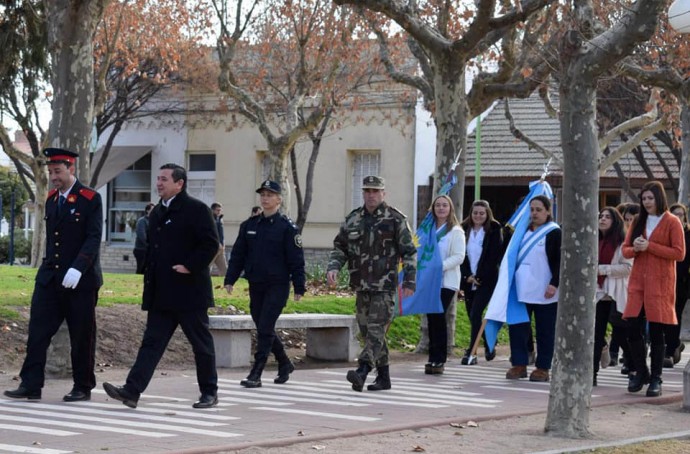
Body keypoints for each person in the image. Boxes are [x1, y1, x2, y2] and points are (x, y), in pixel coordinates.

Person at [103, 163, 220, 409]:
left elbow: (210, 244)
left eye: (164, 179)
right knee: (151, 344)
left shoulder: (196, 210)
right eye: (158, 179)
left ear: (180, 183)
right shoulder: (157, 213)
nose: (159, 183)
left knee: (201, 345)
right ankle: (131, 391)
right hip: (162, 293)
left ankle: (209, 392)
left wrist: (190, 265)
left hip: (189, 292)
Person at [4, 148, 103, 402]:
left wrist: (78, 267)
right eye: (50, 173)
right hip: (50, 277)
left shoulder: (90, 198)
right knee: (38, 332)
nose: (54, 177)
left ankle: (82, 386)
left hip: (79, 280)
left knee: (81, 335)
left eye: (58, 172)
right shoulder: (51, 199)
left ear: (72, 170)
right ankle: (31, 384)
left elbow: (93, 238)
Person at [327, 175, 417, 392]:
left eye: (375, 191)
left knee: (376, 329)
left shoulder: (395, 219)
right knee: (369, 332)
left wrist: (410, 280)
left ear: (383, 193)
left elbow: (409, 252)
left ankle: (363, 370)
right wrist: (334, 267)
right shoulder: (353, 219)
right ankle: (384, 377)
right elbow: (341, 247)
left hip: (385, 285)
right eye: (367, 191)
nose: (371, 195)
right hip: (361, 284)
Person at [224, 180, 305, 388]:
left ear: (279, 200)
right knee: (263, 327)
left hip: (277, 285)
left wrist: (299, 285)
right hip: (256, 283)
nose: (265, 198)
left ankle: (256, 372)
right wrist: (230, 278)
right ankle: (285, 363)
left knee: (265, 326)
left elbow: (296, 259)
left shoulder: (287, 228)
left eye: (270, 195)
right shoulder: (249, 225)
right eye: (263, 194)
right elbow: (239, 254)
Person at [623, 181, 685, 397]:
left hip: (660, 282)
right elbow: (625, 250)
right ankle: (642, 371)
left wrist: (651, 247)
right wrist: (636, 249)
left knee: (657, 330)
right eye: (644, 198)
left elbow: (679, 253)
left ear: (659, 198)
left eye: (650, 198)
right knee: (631, 325)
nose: (646, 202)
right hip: (638, 281)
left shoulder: (672, 221)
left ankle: (656, 378)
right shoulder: (639, 221)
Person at [505, 195, 561, 382]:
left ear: (547, 211)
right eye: (532, 209)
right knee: (518, 328)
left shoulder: (553, 232)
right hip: (520, 289)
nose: (534, 213)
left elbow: (559, 261)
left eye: (538, 210)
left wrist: (555, 283)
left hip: (545, 290)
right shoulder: (520, 232)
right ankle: (519, 363)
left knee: (545, 330)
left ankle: (543, 367)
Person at [424, 195, 465, 375]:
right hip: (429, 280)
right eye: (438, 205)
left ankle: (440, 358)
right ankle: (432, 357)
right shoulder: (428, 229)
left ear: (450, 209)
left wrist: (439, 267)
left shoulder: (455, 231)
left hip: (446, 281)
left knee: (439, 316)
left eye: (444, 205)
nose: (441, 208)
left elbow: (459, 256)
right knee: (431, 318)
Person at [460, 200, 504, 365]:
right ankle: (488, 342)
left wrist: (479, 277)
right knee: (473, 316)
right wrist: (467, 276)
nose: (478, 216)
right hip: (468, 279)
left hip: (486, 280)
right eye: (475, 213)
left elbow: (494, 257)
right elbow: (460, 254)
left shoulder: (494, 229)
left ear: (487, 214)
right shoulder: (463, 229)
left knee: (476, 313)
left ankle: (471, 352)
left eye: (481, 213)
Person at [593, 207, 632, 386]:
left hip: (616, 293)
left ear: (615, 221)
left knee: (622, 334)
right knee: (595, 333)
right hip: (598, 293)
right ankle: (591, 373)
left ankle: (635, 366)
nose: (602, 219)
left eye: (607, 217)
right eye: (601, 216)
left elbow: (627, 268)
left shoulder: (622, 243)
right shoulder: (593, 240)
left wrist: (603, 269)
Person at [663, 203, 690, 368]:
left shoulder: (688, 235)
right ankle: (674, 345)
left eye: (681, 214)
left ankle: (670, 351)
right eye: (675, 214)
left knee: (675, 315)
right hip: (664, 280)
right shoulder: (665, 233)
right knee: (666, 316)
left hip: (682, 282)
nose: (678, 217)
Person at [133, 203, 155, 274]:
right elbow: (142, 236)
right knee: (141, 269)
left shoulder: (154, 221)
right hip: (141, 250)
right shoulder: (142, 221)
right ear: (147, 211)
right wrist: (149, 245)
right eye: (152, 209)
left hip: (149, 250)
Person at [211, 202, 227, 276]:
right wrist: (217, 243)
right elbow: (211, 233)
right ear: (212, 210)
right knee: (207, 268)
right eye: (217, 210)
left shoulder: (220, 219)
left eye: (220, 210)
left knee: (224, 269)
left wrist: (223, 244)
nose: (219, 212)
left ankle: (225, 285)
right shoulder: (209, 219)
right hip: (212, 248)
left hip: (220, 249)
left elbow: (221, 234)